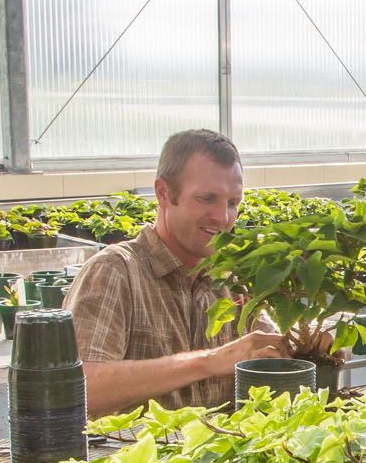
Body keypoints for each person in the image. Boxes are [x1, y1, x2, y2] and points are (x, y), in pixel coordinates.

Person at [64, 129, 287, 413]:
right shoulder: (116, 271)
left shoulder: (231, 280)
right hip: (135, 456)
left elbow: (271, 352)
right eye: (207, 199)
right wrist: (208, 362)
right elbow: (80, 389)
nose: (223, 218)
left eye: (233, 203)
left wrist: (311, 348)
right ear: (163, 193)